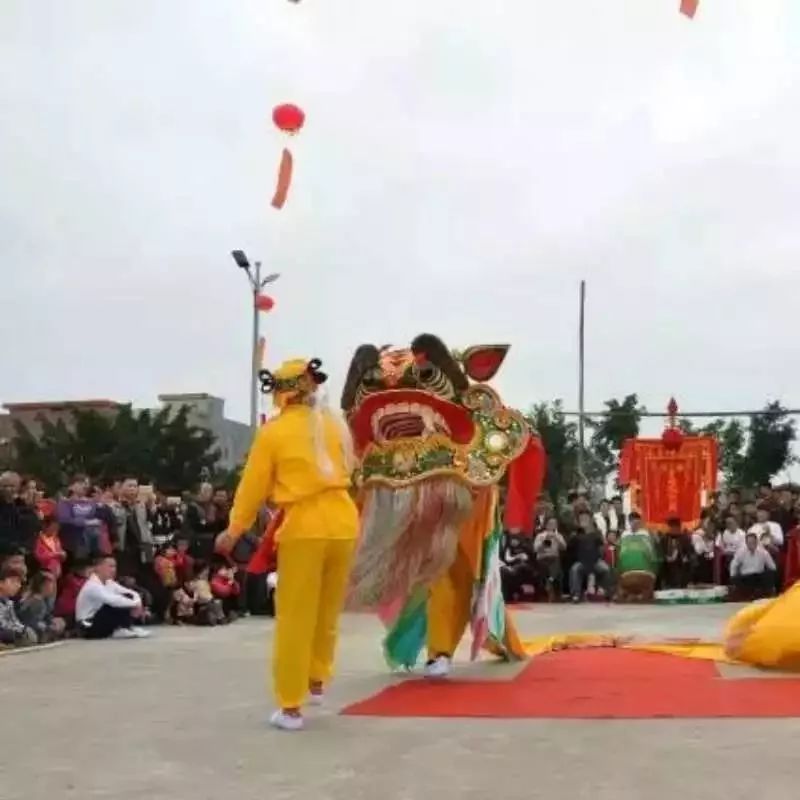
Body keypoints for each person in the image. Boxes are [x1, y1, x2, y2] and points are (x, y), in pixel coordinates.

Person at [215, 357, 358, 732]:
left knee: (295, 615)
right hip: (344, 522)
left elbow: (252, 487)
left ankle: (291, 706)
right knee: (327, 610)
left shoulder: (274, 432)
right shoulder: (335, 425)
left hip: (304, 525)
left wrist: (234, 529)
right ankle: (316, 678)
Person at [75, 555, 150, 639]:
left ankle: (125, 627)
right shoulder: (92, 585)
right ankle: (120, 628)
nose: (113, 570)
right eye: (110, 566)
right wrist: (135, 604)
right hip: (88, 626)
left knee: (127, 597)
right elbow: (113, 600)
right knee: (115, 604)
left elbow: (131, 593)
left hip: (98, 620)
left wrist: (137, 603)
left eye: (115, 566)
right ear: (98, 568)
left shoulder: (109, 582)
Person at [568, 511, 610, 602]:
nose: (584, 520)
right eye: (581, 519)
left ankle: (605, 591)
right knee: (575, 569)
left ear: (590, 520)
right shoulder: (575, 535)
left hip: (595, 561)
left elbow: (602, 549)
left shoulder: (597, 533)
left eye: (586, 518)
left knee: (605, 569)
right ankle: (576, 594)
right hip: (582, 562)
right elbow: (570, 549)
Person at [17, 571, 65, 643]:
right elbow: (31, 621)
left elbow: (46, 616)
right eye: (51, 584)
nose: (54, 587)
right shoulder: (36, 602)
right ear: (43, 586)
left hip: (35, 626)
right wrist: (48, 626)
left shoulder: (43, 599)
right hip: (27, 629)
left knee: (59, 622)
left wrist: (51, 621)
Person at [730, 533, 776, 601]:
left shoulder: (763, 552)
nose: (751, 545)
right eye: (749, 543)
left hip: (759, 577)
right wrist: (732, 577)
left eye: (753, 542)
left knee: (770, 575)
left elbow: (772, 567)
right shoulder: (741, 552)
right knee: (736, 579)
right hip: (746, 578)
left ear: (757, 542)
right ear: (746, 543)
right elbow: (733, 565)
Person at [0, 566, 38, 646]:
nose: (18, 585)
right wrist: (18, 633)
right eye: (13, 582)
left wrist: (24, 629)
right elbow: (3, 625)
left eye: (19, 582)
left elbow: (14, 621)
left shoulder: (8, 602)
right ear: (1, 583)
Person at [533, 517, 566, 601]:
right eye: (550, 524)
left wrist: (556, 538)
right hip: (542, 558)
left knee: (556, 563)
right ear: (546, 525)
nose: (552, 525)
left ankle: (550, 581)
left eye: (554, 524)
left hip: (554, 558)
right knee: (553, 568)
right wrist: (545, 541)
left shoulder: (558, 535)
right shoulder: (540, 535)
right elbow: (535, 549)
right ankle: (550, 582)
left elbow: (564, 547)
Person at [33, 501, 67, 579]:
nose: (55, 530)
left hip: (56, 572)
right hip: (43, 572)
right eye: (53, 528)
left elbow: (60, 554)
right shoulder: (38, 538)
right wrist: (56, 554)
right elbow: (39, 555)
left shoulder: (56, 539)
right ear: (45, 526)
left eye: (57, 528)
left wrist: (62, 556)